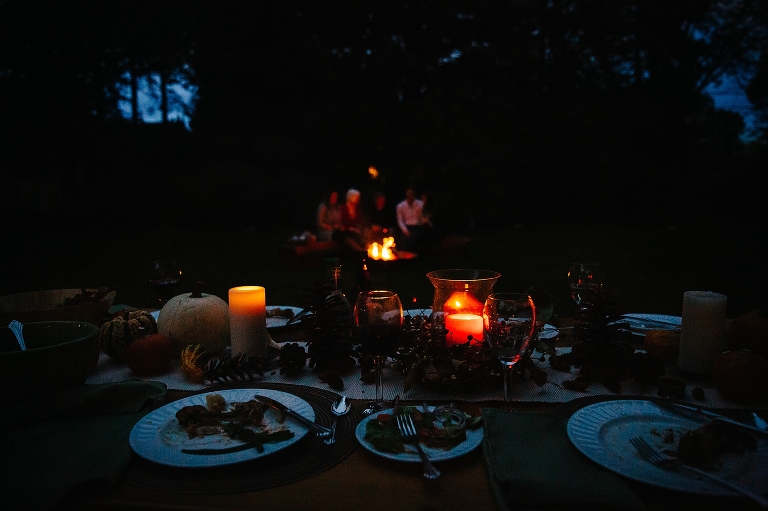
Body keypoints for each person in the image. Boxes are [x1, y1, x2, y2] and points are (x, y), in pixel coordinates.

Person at [395, 187, 431, 253]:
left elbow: (422, 218)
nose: (410, 196)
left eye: (412, 194)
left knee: (416, 238)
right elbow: (400, 221)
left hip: (418, 227)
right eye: (409, 195)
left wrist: (426, 220)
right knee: (405, 242)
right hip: (407, 227)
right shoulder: (400, 206)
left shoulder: (420, 204)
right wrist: (405, 231)